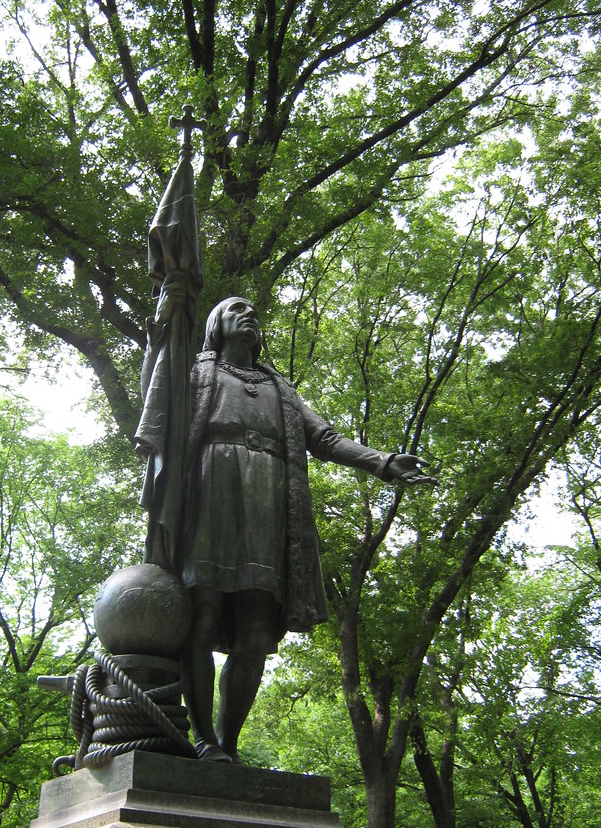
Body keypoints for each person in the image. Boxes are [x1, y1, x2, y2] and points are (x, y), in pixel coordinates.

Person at [175, 296, 435, 763]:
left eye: (254, 310)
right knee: (203, 612)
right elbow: (160, 406)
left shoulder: (281, 388)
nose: (249, 314)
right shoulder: (196, 374)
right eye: (237, 309)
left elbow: (326, 439)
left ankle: (227, 747)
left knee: (257, 628)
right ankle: (202, 740)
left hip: (268, 501)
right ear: (216, 324)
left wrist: (384, 462)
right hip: (210, 490)